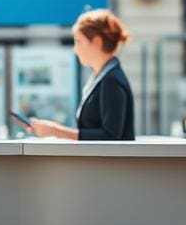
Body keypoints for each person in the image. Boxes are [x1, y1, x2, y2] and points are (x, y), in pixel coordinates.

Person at [28, 9, 135, 141]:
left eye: (78, 42)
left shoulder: (111, 80)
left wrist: (55, 130)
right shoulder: (102, 77)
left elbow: (110, 136)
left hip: (109, 162)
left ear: (97, 42)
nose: (75, 50)